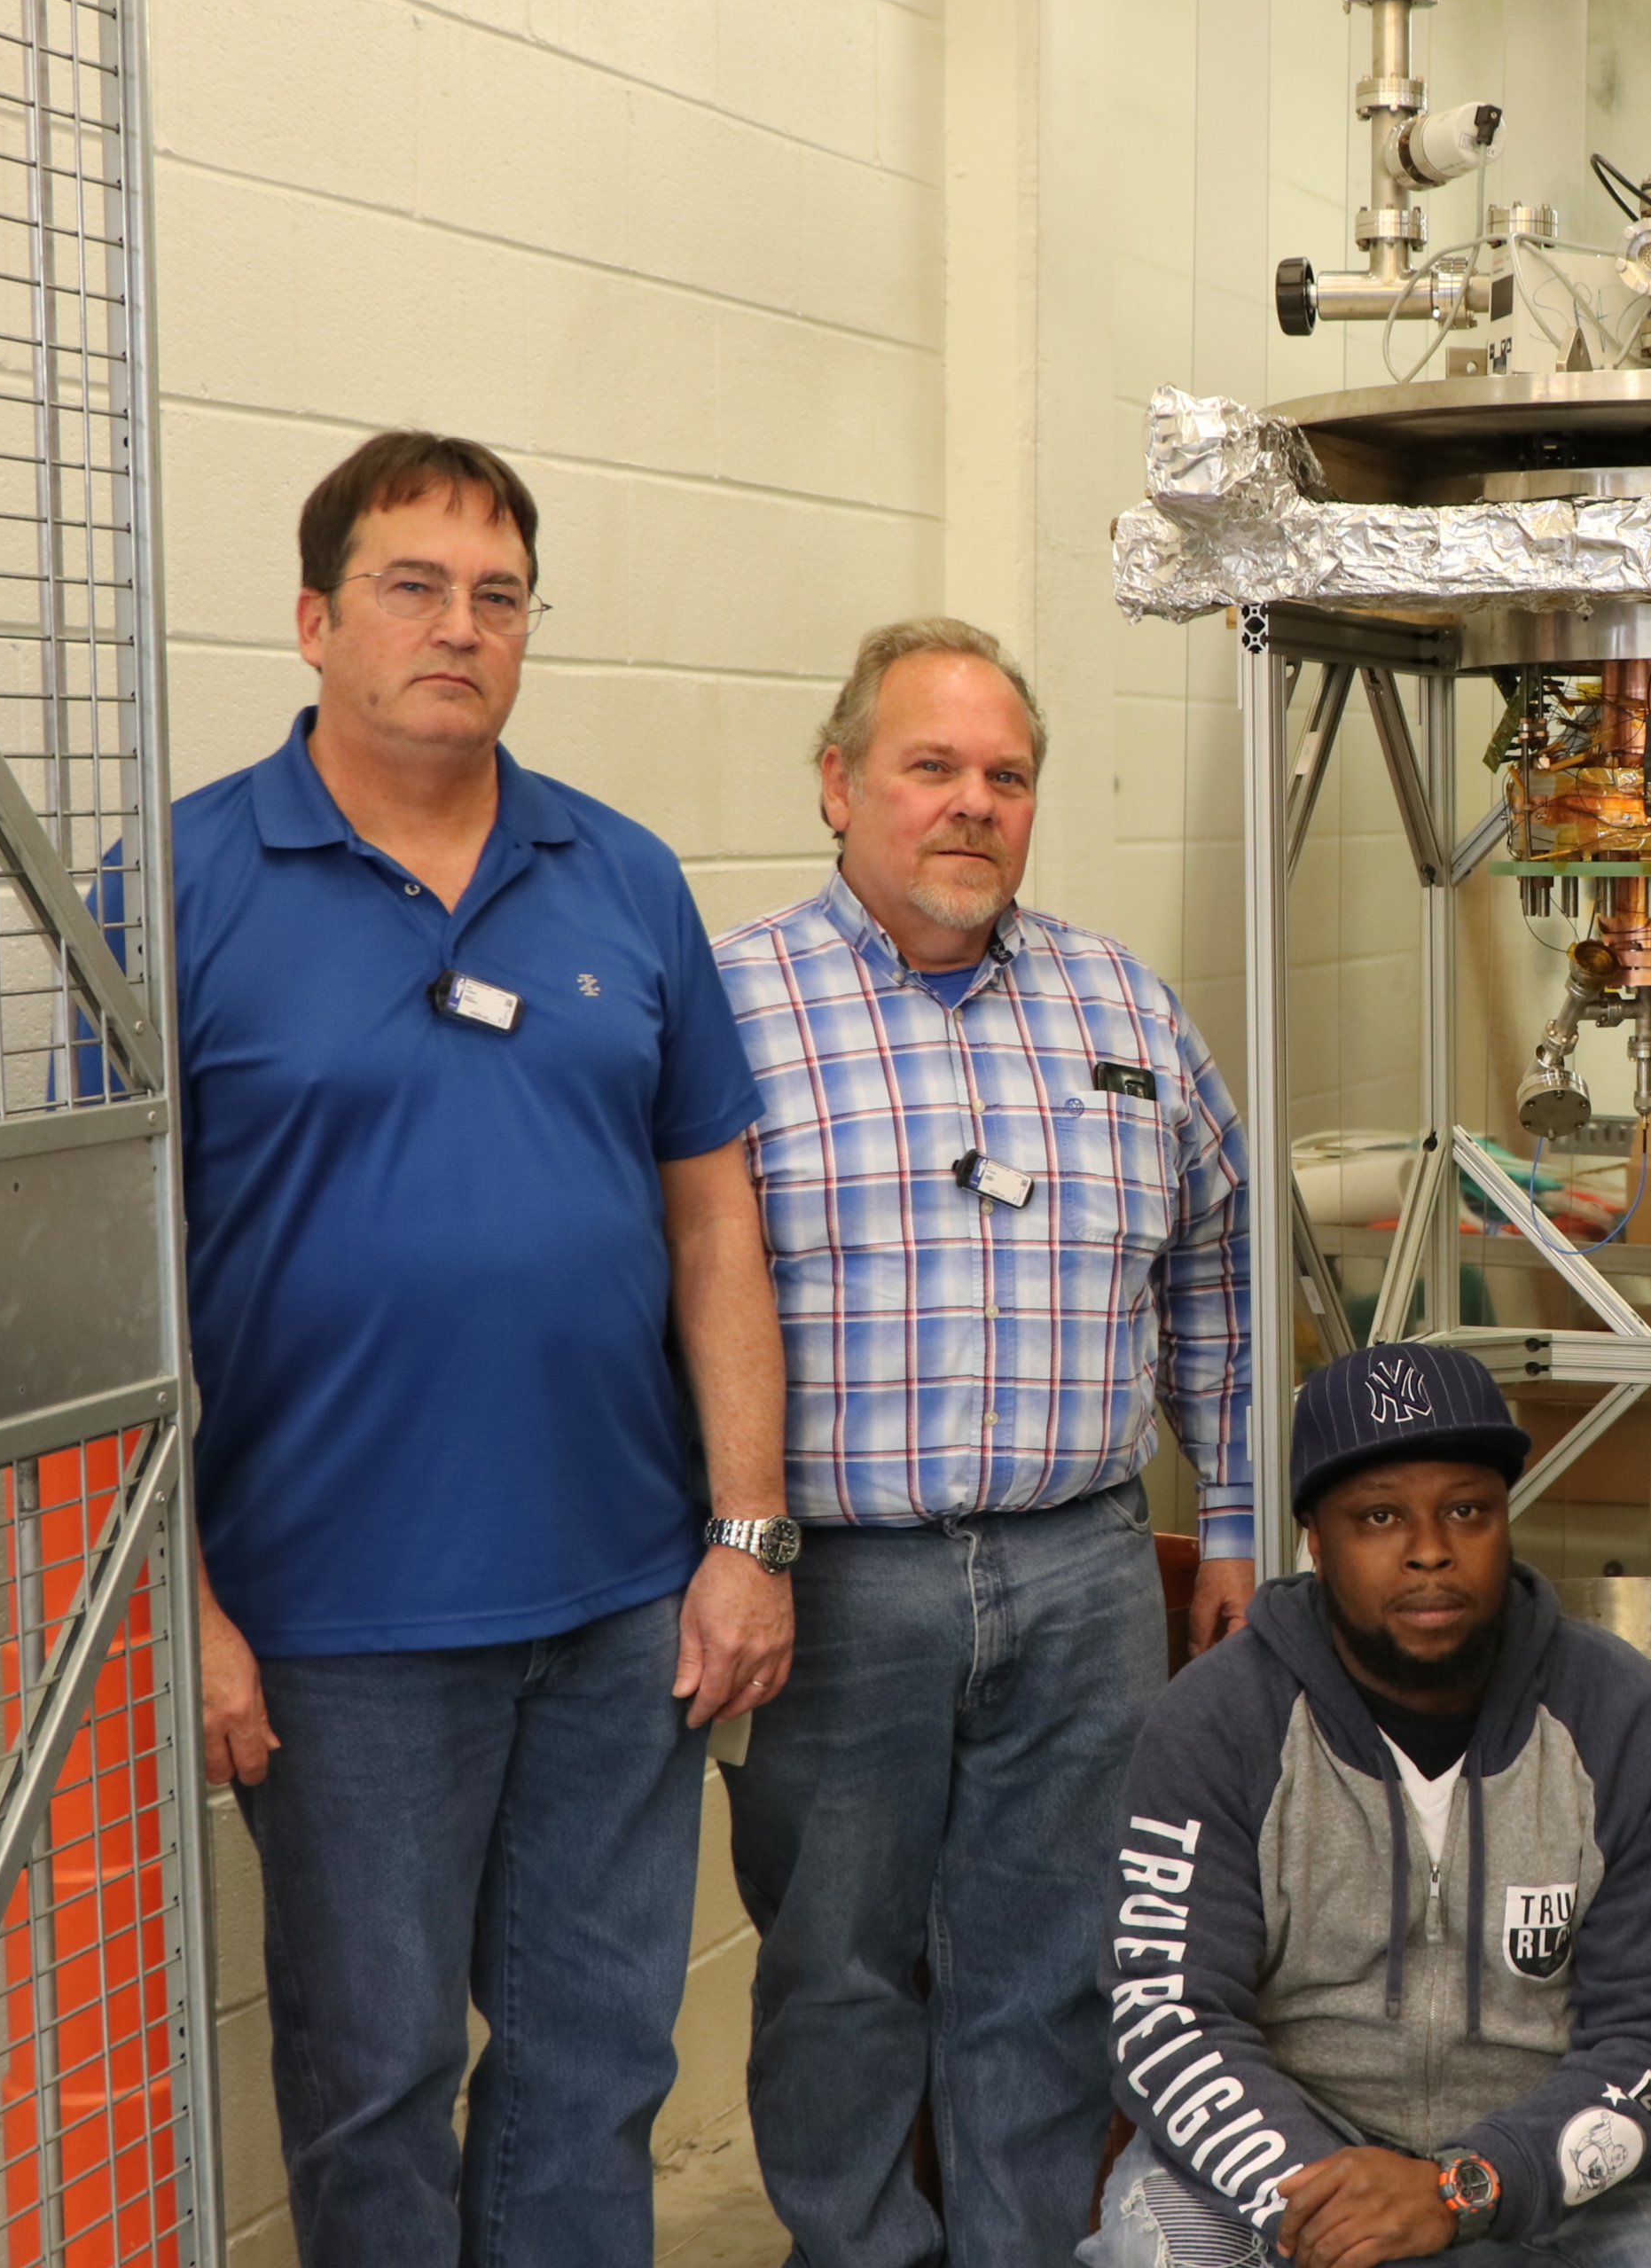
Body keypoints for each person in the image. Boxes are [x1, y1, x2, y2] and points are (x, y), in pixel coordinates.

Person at [133, 431, 792, 2265]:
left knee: (596, 2067)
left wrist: (748, 1534)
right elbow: (100, 1291)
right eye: (414, 586)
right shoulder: (181, 884)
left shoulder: (623, 875)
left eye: (499, 595)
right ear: (313, 619)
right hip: (336, 1627)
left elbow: (713, 1216)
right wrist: (172, 1603)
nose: (461, 625)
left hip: (620, 1612)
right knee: (375, 2084)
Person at [711, 618, 1256, 2264]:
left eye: (1003, 776)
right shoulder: (726, 1006)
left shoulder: (1121, 1005)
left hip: (1082, 1568)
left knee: (1053, 1963)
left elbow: (1216, 1264)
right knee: (837, 1971)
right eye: (928, 767)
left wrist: (1230, 1517)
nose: (970, 806)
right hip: (837, 1583)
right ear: (837, 784)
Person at [1082, 1341, 1651, 2268]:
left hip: (1553, 2136)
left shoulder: (1626, 1717)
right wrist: (1346, 2205)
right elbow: (1173, 2016)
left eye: (1467, 1510)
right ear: (1316, 1541)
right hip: (1293, 2142)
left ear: (1505, 1519)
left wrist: (1461, 2188)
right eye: (1379, 1516)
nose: (1431, 1548)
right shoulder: (1218, 1722)